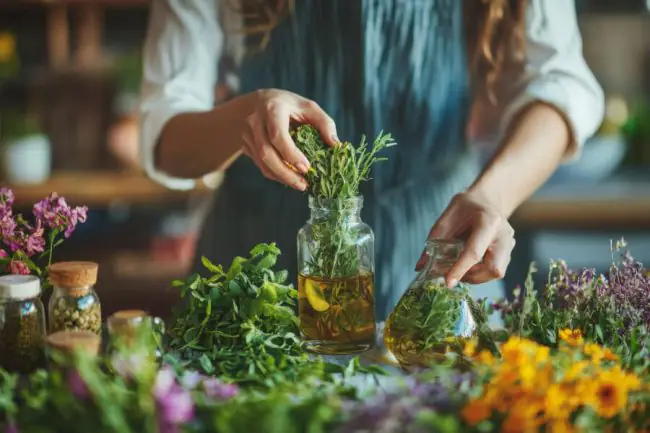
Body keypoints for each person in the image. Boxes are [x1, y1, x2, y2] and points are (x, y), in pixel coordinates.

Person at [139, 0, 603, 321]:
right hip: (257, 285)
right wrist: (244, 117)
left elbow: (561, 86)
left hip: (438, 255)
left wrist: (492, 197)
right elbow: (165, 136)